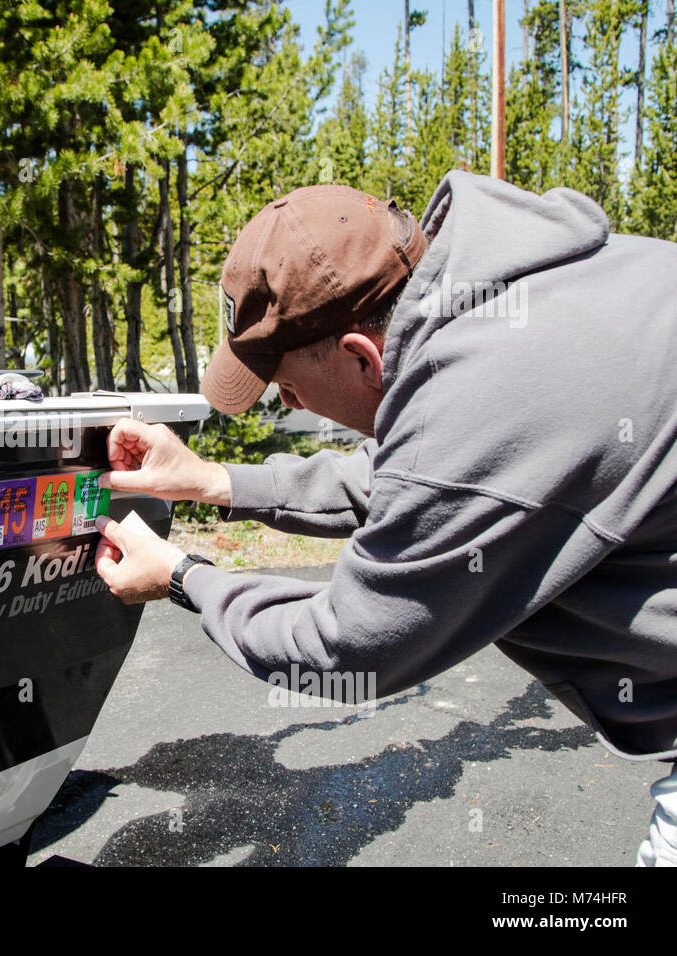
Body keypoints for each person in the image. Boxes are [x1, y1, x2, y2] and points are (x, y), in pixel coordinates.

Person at [92, 171, 677, 866]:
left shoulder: (484, 405)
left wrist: (184, 578)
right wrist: (211, 481)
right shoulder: (507, 295)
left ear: (360, 357)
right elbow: (411, 470)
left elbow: (350, 646)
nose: (291, 405)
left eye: (287, 392)